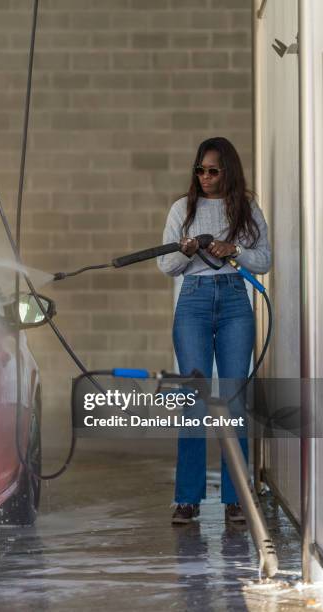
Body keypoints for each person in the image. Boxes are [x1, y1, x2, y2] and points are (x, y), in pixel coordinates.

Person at [157, 137, 271, 524]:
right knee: (195, 398)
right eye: (200, 170)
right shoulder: (181, 209)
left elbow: (264, 260)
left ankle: (235, 498)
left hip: (236, 302)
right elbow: (166, 266)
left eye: (213, 171)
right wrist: (184, 252)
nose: (205, 177)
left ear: (228, 172)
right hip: (193, 301)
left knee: (234, 399)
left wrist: (233, 249)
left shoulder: (246, 208)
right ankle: (187, 499)